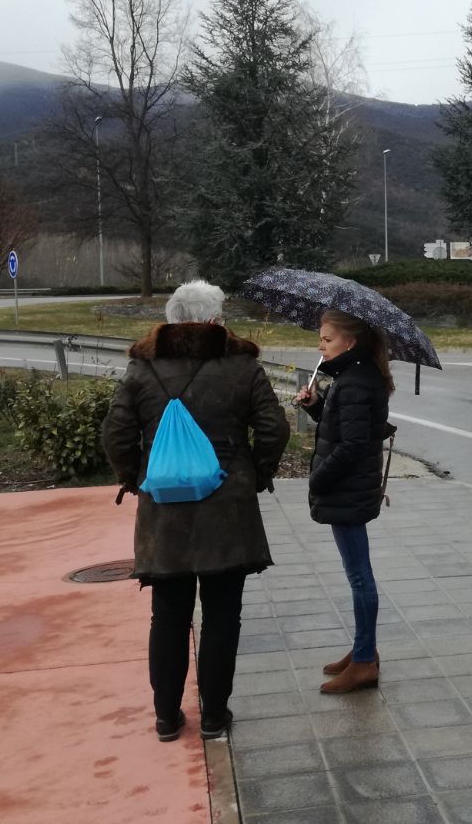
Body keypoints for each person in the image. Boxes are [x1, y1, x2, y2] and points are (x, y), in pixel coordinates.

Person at [102, 279, 290, 742]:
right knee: (223, 615)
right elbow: (274, 428)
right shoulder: (242, 366)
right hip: (227, 506)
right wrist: (256, 472)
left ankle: (166, 717)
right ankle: (214, 716)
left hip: (164, 510)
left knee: (167, 614)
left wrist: (134, 476)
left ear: (171, 317)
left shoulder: (143, 369)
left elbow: (116, 434)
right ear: (212, 320)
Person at [295, 309, 394, 694]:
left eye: (327, 339)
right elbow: (346, 428)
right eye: (321, 338)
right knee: (358, 573)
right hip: (351, 488)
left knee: (359, 576)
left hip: (347, 489)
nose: (320, 345)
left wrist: (318, 479)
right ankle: (362, 649)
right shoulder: (355, 377)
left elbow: (353, 444)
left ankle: (366, 660)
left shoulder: (354, 382)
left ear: (350, 343)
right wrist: (316, 406)